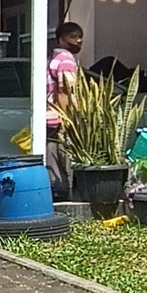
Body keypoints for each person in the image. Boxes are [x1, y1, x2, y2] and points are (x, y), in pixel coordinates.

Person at [47, 22, 84, 198]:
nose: (78, 40)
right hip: (58, 117)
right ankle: (65, 198)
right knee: (65, 162)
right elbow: (64, 91)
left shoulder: (53, 58)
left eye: (79, 36)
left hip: (49, 117)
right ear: (61, 39)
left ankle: (57, 194)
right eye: (73, 37)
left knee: (52, 161)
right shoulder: (66, 60)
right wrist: (67, 119)